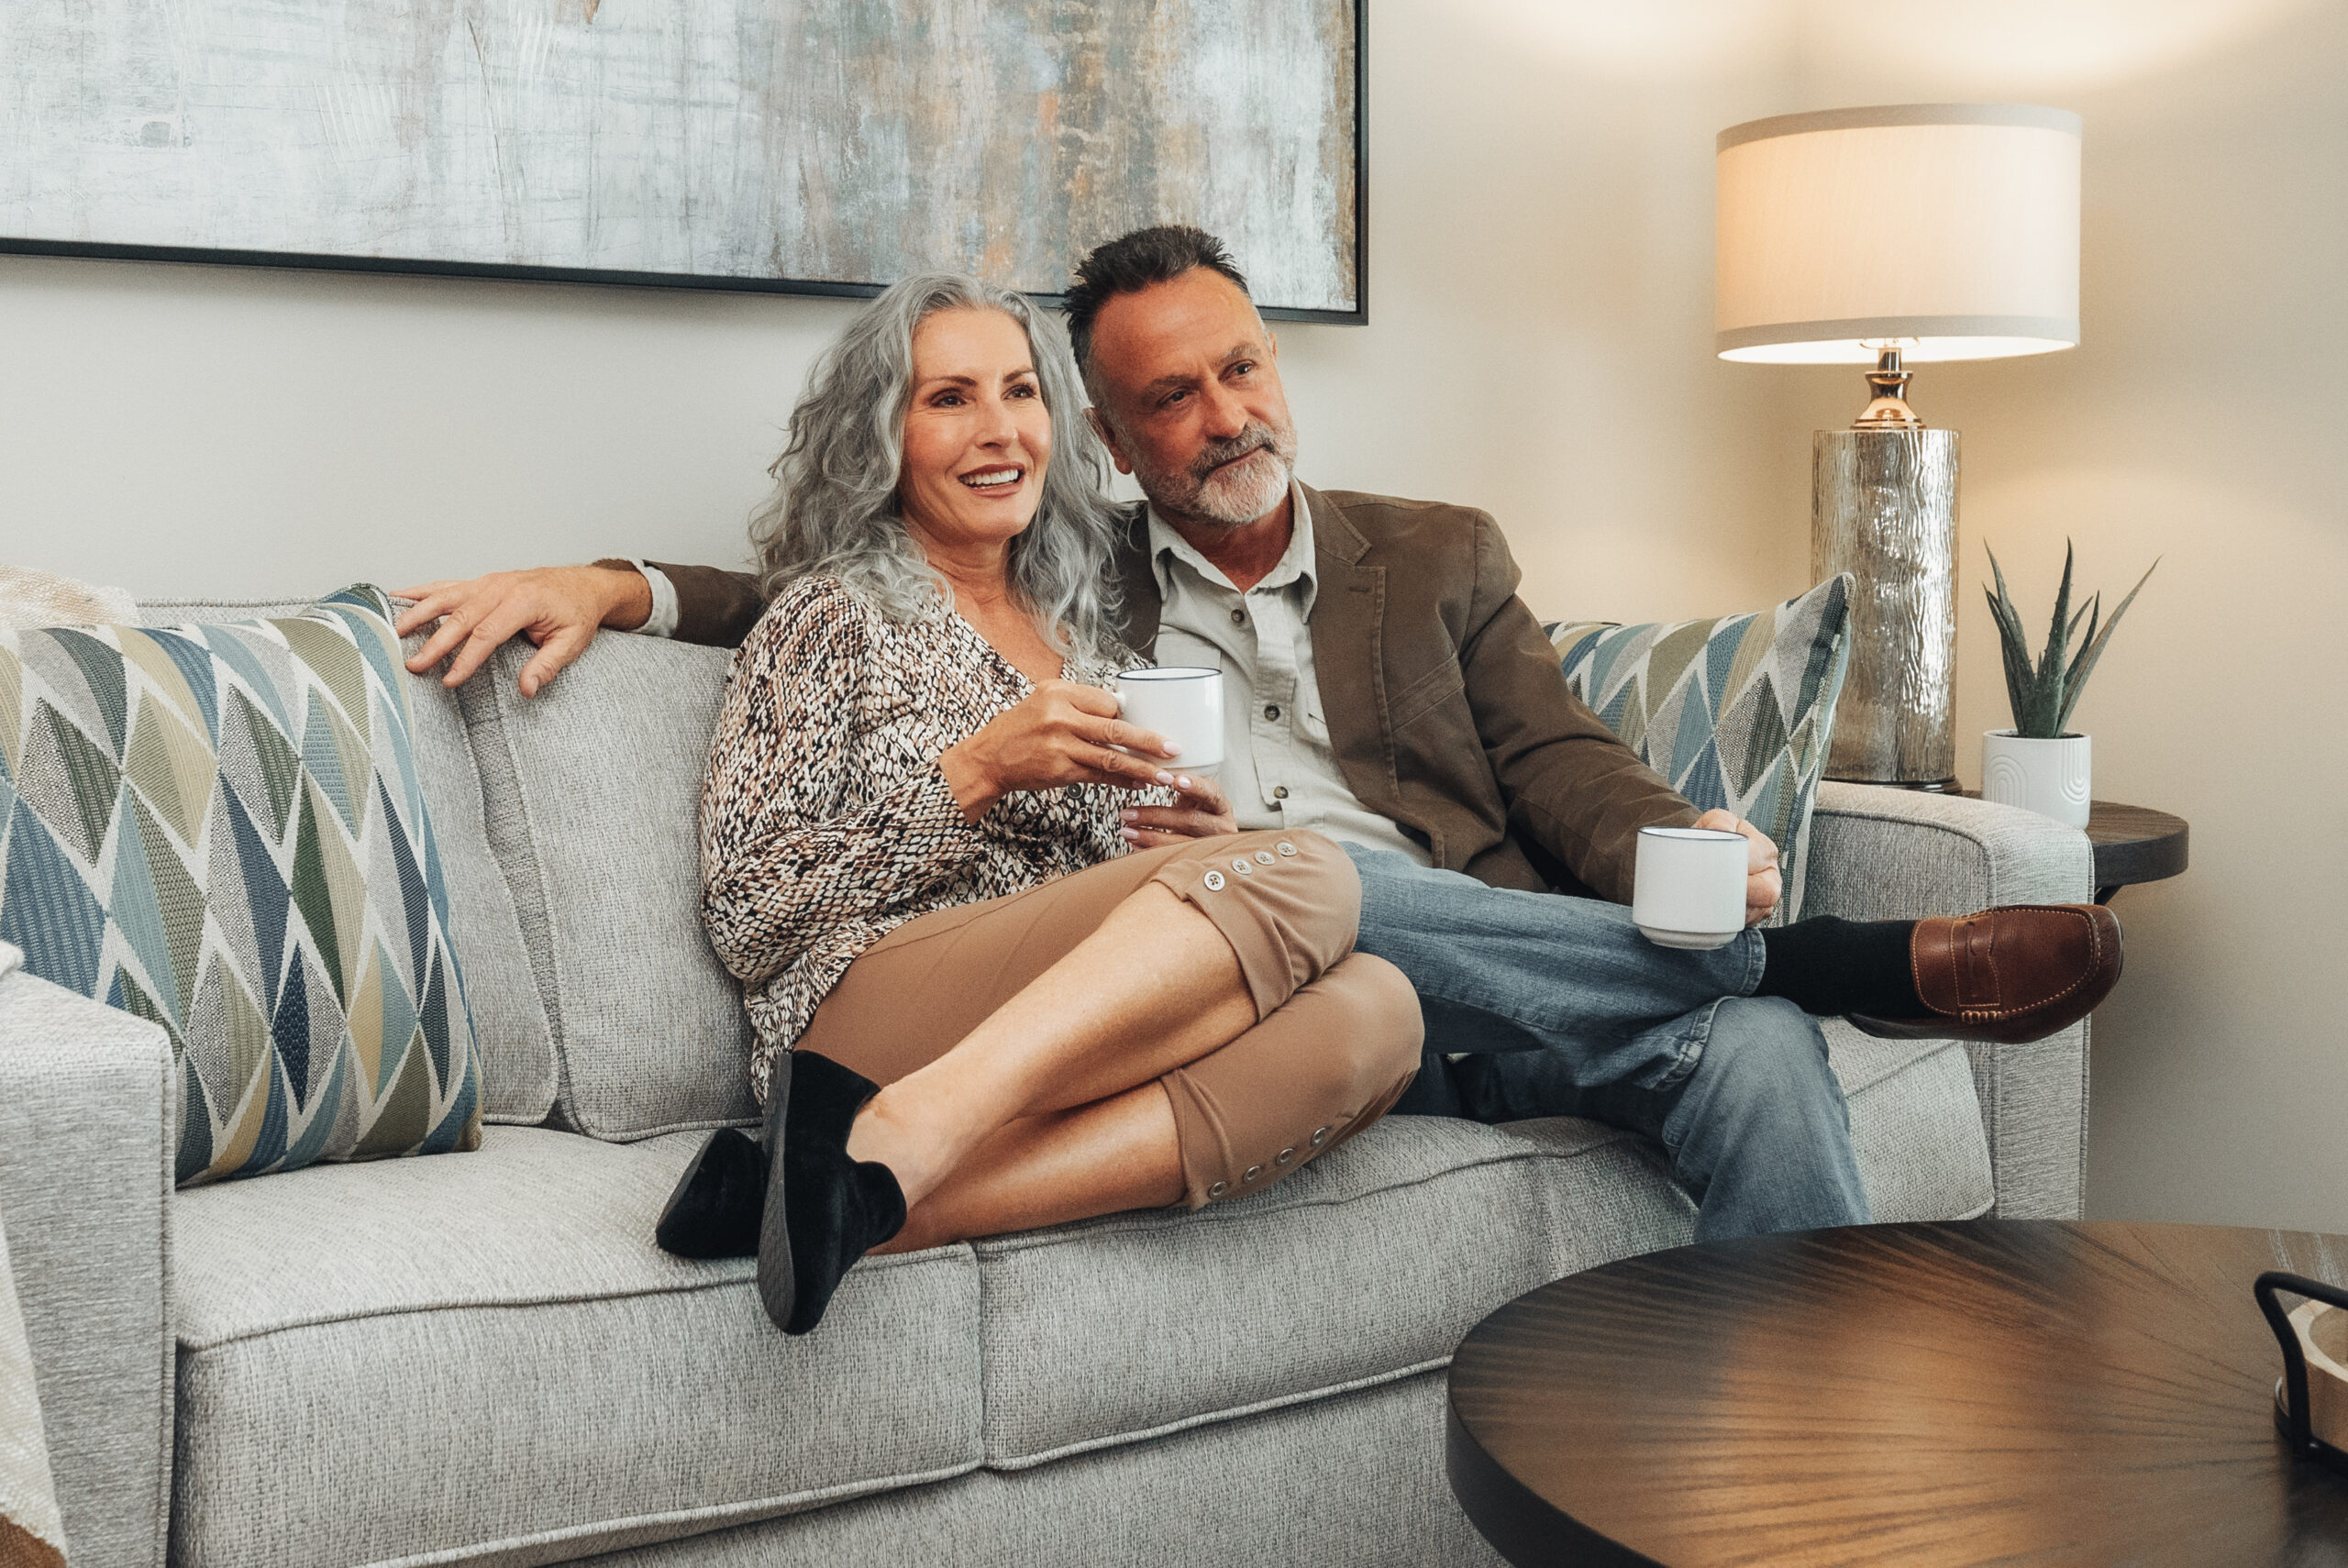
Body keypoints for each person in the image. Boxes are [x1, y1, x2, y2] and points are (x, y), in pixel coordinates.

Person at [398, 228, 2120, 1242]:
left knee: (1753, 1057)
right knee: (1300, 881)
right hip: (1252, 961)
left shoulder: (1431, 551)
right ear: (1118, 444)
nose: (1224, 415)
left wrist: (1694, 844)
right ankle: (1821, 957)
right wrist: (614, 580)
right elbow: (817, 586)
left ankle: (1787, 1474)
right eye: (1170, 398)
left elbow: (1567, 765)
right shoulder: (1068, 592)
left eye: (1242, 369)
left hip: (1514, 978)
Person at [662, 272, 1423, 1337]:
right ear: (876, 435)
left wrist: (1191, 855)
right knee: (1311, 872)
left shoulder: (1093, 644)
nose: (999, 431)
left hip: (1049, 1021)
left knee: (1380, 1011)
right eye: (948, 399)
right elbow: (749, 915)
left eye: (1021, 392)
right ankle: (910, 1121)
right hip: (860, 1016)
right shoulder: (825, 619)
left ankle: (840, 1201)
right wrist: (973, 775)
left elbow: (1111, 908)